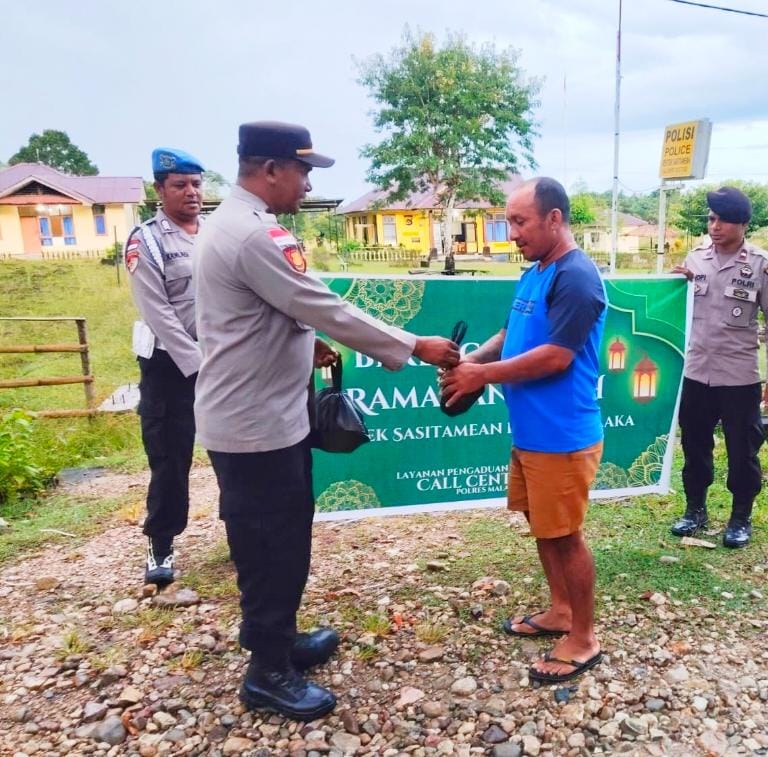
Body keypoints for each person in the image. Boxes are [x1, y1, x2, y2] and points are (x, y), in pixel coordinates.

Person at [193, 121, 460, 721]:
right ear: (270, 170)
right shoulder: (253, 234)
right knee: (272, 544)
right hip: (255, 425)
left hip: (260, 415)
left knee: (276, 536)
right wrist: (414, 344)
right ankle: (267, 671)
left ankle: (276, 638)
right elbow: (321, 303)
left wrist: (301, 343)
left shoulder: (233, 224)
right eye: (304, 170)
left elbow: (268, 312)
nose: (308, 182)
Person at [441, 177, 607, 684]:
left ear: (554, 219)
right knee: (543, 527)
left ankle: (583, 637)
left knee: (566, 535)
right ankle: (559, 611)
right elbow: (512, 334)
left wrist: (481, 375)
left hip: (562, 434)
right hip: (531, 432)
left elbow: (557, 357)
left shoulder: (576, 278)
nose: (509, 233)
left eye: (519, 221)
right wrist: (473, 359)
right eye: (508, 221)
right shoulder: (537, 270)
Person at [670, 186, 768, 548]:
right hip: (695, 373)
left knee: (742, 450)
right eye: (711, 218)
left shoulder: (762, 266)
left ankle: (740, 518)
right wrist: (677, 285)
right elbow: (675, 310)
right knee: (694, 446)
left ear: (743, 224)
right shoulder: (694, 260)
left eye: (722, 219)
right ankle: (695, 510)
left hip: (738, 377)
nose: (714, 225)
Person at [126, 148, 204, 587]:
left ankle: (243, 534)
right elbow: (159, 313)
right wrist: (197, 366)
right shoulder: (147, 240)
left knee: (236, 452)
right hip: (169, 365)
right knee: (171, 457)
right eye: (180, 185)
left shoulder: (214, 234)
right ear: (160, 190)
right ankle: (161, 541)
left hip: (220, 359)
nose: (191, 192)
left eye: (196, 183)